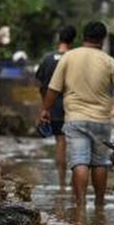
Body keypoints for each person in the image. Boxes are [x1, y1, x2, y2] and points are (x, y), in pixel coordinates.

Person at [40, 21, 114, 213]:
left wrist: (45, 109)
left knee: (79, 161)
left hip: (75, 118)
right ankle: (99, 204)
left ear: (83, 37)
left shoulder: (69, 57)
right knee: (100, 162)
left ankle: (80, 204)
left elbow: (53, 88)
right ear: (103, 40)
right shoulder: (109, 61)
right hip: (101, 120)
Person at [34, 26, 76, 190]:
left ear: (59, 38)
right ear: (73, 40)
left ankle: (61, 183)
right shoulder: (74, 58)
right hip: (73, 107)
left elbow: (39, 83)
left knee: (60, 142)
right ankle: (75, 182)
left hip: (53, 107)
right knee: (75, 143)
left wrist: (44, 105)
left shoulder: (47, 58)